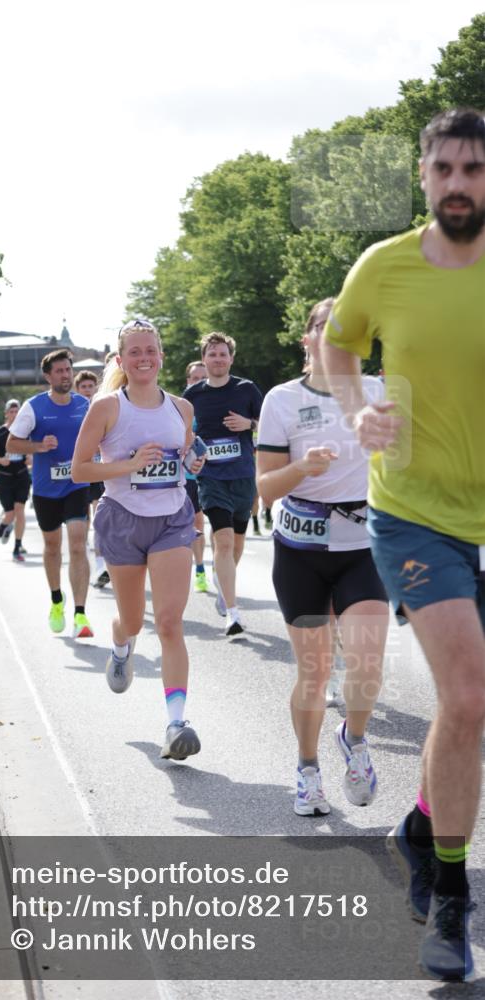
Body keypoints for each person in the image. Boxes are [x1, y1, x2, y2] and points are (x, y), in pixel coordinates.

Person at [321, 108, 485, 982]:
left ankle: (421, 827)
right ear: (421, 175)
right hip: (415, 513)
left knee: (472, 708)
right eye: (443, 168)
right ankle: (452, 898)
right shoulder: (381, 267)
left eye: (473, 169)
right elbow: (337, 346)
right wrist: (356, 410)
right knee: (466, 694)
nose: (458, 184)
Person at [257, 297, 388, 819]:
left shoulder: (378, 393)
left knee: (368, 664)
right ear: (307, 339)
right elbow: (266, 488)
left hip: (363, 549)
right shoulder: (282, 400)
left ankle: (353, 739)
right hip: (301, 552)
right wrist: (301, 470)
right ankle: (308, 771)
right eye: (325, 329)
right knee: (314, 672)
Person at [71, 318, 205, 760]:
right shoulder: (107, 407)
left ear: (161, 356)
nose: (144, 358)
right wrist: (128, 465)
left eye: (151, 350)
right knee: (132, 621)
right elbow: (80, 470)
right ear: (121, 360)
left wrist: (193, 462)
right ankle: (121, 644)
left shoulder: (182, 408)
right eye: (135, 352)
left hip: (172, 519)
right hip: (123, 520)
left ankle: (176, 724)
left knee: (168, 622)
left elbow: (186, 453)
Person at [7, 349, 93, 639]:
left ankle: (80, 614)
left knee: (78, 544)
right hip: (46, 490)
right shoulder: (34, 407)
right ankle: (57, 600)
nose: (65, 375)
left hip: (77, 484)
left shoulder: (84, 405)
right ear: (48, 376)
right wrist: (39, 446)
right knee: (53, 547)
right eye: (59, 371)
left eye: (68, 370)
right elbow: (12, 444)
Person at [184, 332, 263, 636]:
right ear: (203, 359)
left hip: (242, 475)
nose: (217, 359)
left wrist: (249, 424)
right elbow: (183, 435)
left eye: (222, 354)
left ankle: (223, 586)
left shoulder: (247, 389)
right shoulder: (192, 395)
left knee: (237, 542)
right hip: (211, 477)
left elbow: (272, 425)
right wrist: (191, 457)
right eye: (212, 354)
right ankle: (232, 612)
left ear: (231, 358)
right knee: (224, 540)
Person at [74, 370, 109, 588]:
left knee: (98, 519)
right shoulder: (73, 411)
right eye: (83, 387)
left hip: (98, 470)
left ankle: (100, 566)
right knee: (82, 523)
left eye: (90, 386)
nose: (87, 390)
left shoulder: (103, 407)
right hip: (78, 472)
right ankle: (88, 559)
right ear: (77, 390)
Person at [0, 399, 30, 563]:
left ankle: (17, 546)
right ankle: (4, 526)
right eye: (11, 412)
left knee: (20, 510)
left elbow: (34, 450)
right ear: (6, 414)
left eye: (17, 411)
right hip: (5, 477)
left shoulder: (26, 431)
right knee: (10, 514)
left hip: (21, 475)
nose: (14, 414)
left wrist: (30, 457)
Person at [185, 360, 209, 593]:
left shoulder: (214, 405)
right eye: (195, 378)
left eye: (203, 378)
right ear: (188, 381)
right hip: (182, 476)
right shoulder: (180, 406)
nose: (199, 382)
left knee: (198, 522)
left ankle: (200, 568)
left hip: (206, 474)